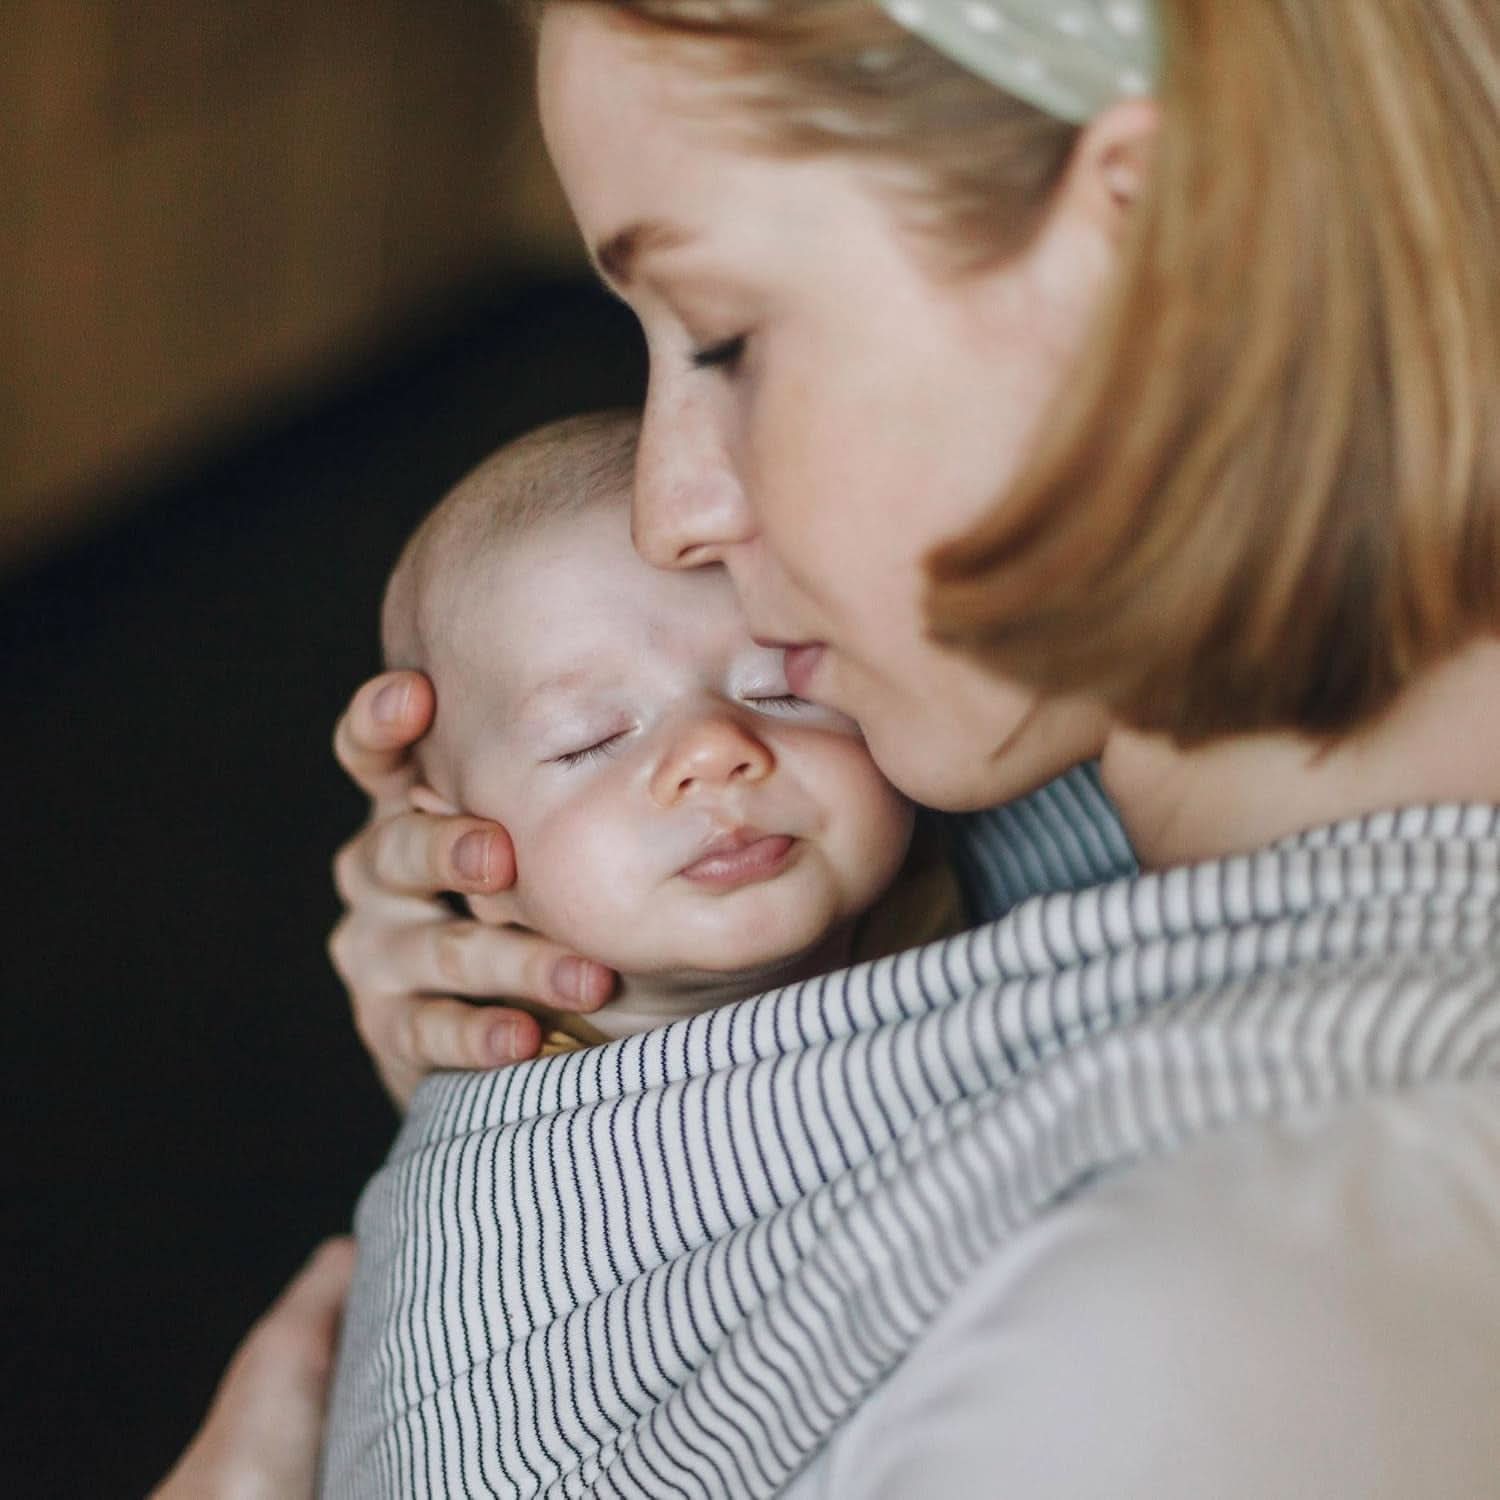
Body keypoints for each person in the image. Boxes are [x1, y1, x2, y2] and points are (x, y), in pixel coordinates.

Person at [180, 0, 1500, 1494]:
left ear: (1148, 253)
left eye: (724, 337)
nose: (671, 509)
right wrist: (589, 1091)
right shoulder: (1061, 834)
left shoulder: (1184, 1334)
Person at [376, 407, 952, 1053]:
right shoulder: (512, 1104)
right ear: (465, 852)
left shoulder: (979, 908)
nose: (713, 749)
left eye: (777, 687)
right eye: (589, 739)